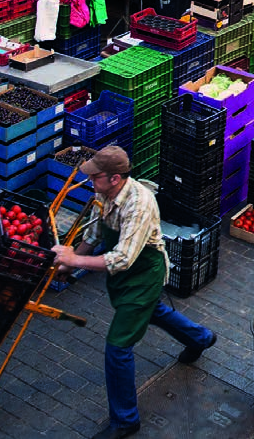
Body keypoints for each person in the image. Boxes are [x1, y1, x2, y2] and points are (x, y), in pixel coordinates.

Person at [52, 147, 216, 439]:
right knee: (154, 311)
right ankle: (201, 338)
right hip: (126, 277)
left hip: (143, 276)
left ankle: (125, 419)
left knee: (118, 347)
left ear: (115, 178)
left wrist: (75, 261)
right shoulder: (103, 194)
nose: (91, 181)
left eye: (96, 176)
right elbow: (94, 235)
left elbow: (123, 258)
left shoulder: (139, 204)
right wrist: (70, 264)